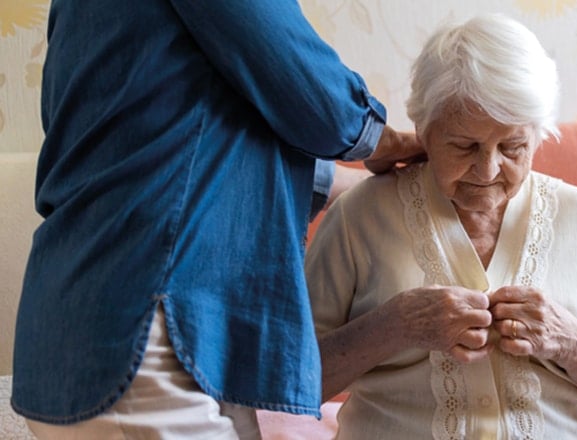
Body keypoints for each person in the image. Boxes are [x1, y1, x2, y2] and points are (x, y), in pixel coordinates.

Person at [11, 0, 421, 438]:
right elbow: (311, 94)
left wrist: (402, 187)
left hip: (78, 330)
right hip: (147, 337)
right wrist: (388, 141)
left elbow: (158, 138)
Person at [305, 13, 577, 439]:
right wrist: (397, 324)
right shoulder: (360, 215)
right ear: (423, 130)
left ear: (538, 134)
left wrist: (572, 341)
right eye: (463, 145)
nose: (488, 168)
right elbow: (289, 382)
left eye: (513, 146)